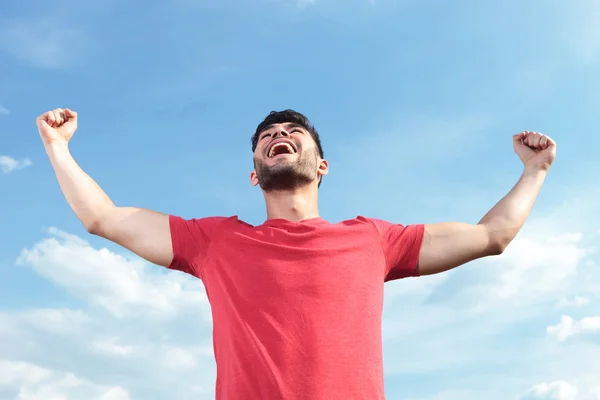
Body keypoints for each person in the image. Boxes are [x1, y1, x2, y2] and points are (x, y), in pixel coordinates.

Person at [36, 108, 556, 400]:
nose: (279, 136)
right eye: (267, 136)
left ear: (322, 165)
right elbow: (101, 218)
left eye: (292, 133)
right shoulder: (213, 241)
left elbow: (493, 236)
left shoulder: (374, 240)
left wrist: (534, 172)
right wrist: (58, 147)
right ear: (254, 172)